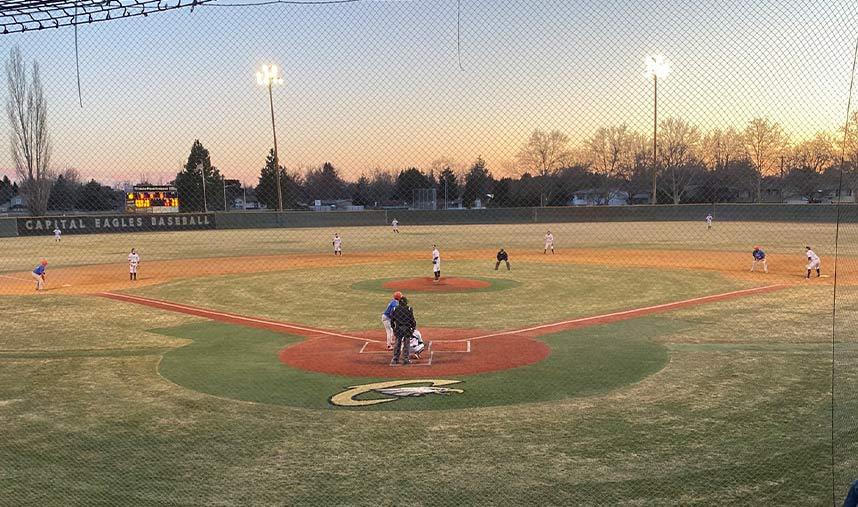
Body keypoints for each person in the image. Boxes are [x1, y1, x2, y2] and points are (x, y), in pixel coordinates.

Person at [390, 296, 416, 365]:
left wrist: (394, 329)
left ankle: (395, 359)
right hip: (407, 329)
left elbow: (392, 321)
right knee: (406, 344)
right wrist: (413, 328)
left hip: (398, 328)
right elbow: (412, 320)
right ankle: (406, 359)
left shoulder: (395, 309)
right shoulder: (409, 309)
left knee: (397, 344)